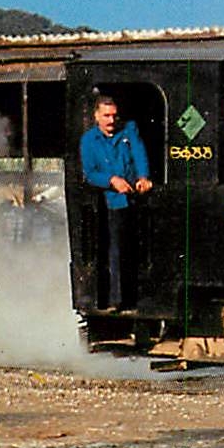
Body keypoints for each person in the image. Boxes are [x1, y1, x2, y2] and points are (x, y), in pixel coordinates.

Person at [79, 92, 152, 311]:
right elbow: (90, 173)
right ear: (96, 116)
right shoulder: (89, 141)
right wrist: (112, 180)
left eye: (114, 116)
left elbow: (139, 153)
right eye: (106, 116)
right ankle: (116, 300)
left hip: (134, 197)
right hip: (110, 201)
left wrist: (143, 177)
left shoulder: (129, 130)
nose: (111, 121)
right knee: (115, 250)